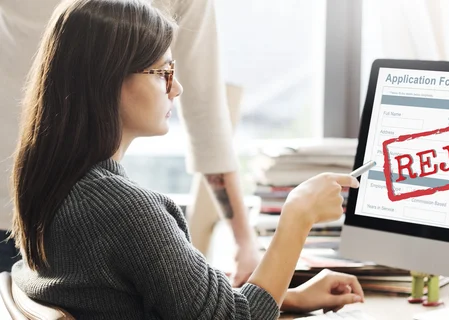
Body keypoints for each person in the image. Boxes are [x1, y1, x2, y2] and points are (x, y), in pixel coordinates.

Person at [8, 0, 365, 318]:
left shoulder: (53, 186)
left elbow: (172, 299)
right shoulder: (124, 210)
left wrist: (287, 297)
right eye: (162, 73)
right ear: (108, 80)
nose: (176, 88)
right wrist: (298, 214)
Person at [0, 0, 260, 285]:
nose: (175, 88)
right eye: (162, 73)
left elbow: (206, 117)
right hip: (43, 215)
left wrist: (242, 241)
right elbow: (206, 115)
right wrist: (258, 235)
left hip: (33, 202)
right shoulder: (133, 214)